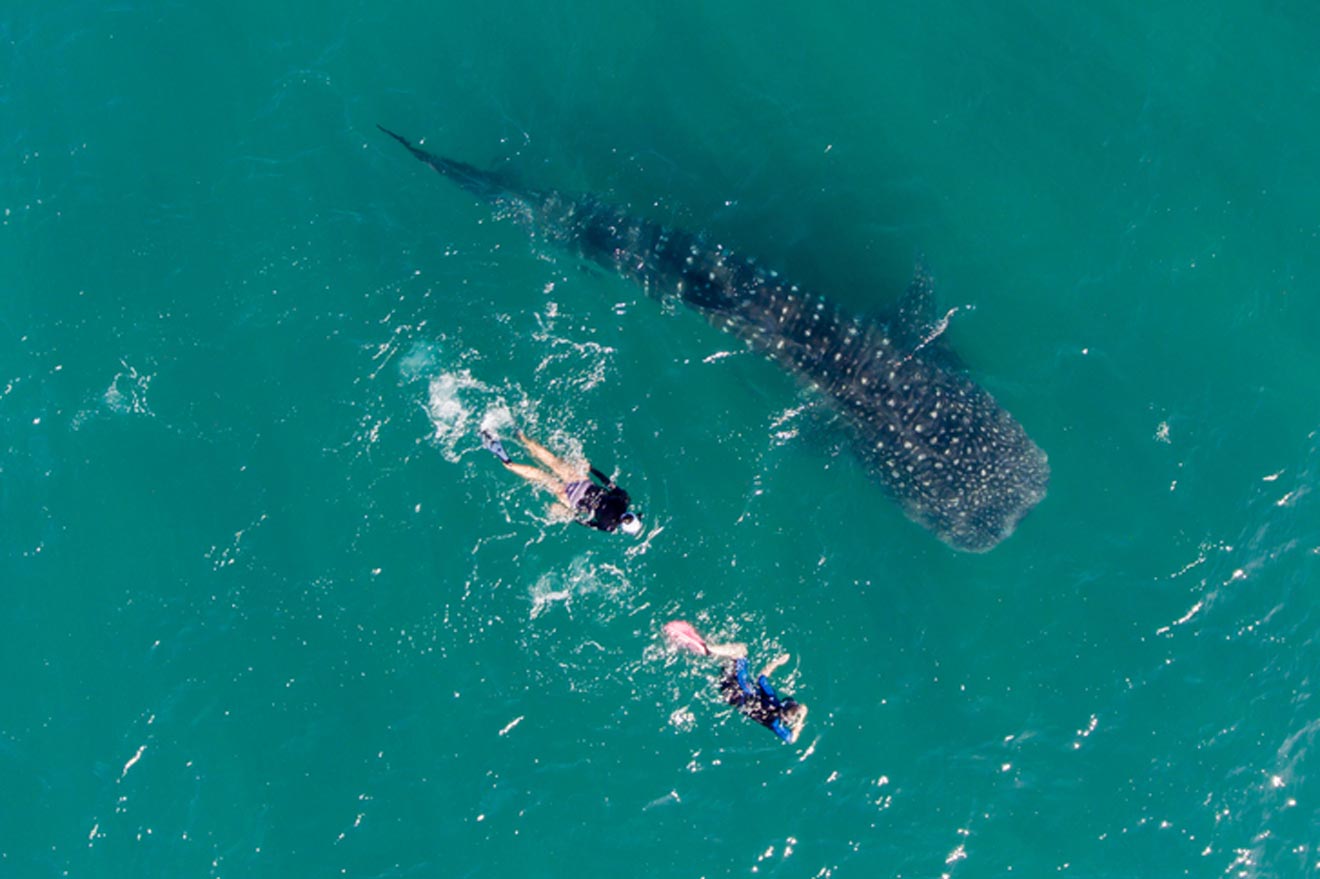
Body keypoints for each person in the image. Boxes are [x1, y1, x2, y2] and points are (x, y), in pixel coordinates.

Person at [663, 620, 808, 744]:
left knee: (740, 652)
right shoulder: (775, 724)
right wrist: (800, 721)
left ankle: (707, 649)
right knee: (728, 663)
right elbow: (792, 739)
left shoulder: (771, 699)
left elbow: (762, 677)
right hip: (732, 698)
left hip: (739, 686)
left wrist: (777, 662)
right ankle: (705, 648)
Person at [480, 428, 643, 535]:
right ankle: (508, 462)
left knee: (551, 460)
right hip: (573, 500)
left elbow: (606, 481)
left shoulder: (624, 499)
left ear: (632, 515)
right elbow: (586, 523)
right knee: (541, 476)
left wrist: (591, 468)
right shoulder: (608, 527)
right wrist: (568, 514)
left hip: (582, 483)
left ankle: (520, 435)